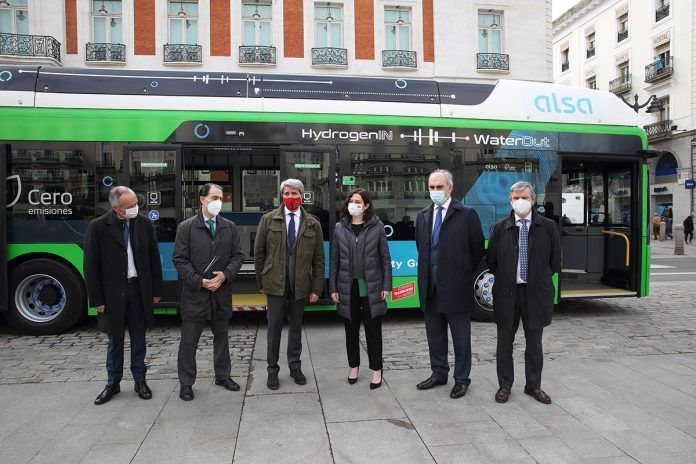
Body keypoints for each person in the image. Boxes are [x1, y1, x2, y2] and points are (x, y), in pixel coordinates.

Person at [84, 186, 163, 405]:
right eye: (129, 206)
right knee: (115, 339)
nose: (134, 209)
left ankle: (140, 380)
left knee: (139, 338)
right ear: (115, 207)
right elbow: (90, 266)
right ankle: (113, 383)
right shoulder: (98, 227)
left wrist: (156, 290)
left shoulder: (144, 224)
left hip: (139, 290)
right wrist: (96, 299)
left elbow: (154, 258)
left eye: (136, 204)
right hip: (112, 295)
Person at [487, 181, 561, 405]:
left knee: (535, 344)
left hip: (536, 294)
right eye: (516, 198)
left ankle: (533, 385)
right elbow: (492, 262)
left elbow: (555, 262)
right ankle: (504, 385)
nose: (520, 202)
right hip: (508, 294)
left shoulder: (548, 227)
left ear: (533, 200)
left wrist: (537, 277)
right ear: (510, 201)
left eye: (525, 197)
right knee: (504, 345)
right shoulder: (499, 228)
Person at [414, 169, 485, 399]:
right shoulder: (423, 215)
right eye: (431, 187)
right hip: (430, 288)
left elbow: (477, 251)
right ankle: (438, 372)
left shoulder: (466, 214)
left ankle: (462, 379)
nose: (435, 191)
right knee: (435, 335)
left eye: (439, 187)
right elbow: (422, 248)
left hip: (457, 288)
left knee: (461, 338)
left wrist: (461, 274)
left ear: (450, 188)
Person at [173, 183, 244, 401]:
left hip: (221, 294)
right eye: (214, 197)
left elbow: (238, 256)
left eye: (221, 198)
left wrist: (225, 275)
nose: (218, 202)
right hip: (195, 295)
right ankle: (186, 383)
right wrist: (199, 281)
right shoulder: (186, 227)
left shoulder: (229, 226)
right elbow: (180, 260)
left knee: (221, 338)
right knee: (189, 341)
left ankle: (223, 376)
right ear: (202, 199)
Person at [254, 179, 325, 390]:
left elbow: (319, 259)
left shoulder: (313, 223)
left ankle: (295, 367)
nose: (291, 198)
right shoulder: (268, 220)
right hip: (275, 284)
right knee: (274, 328)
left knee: (296, 328)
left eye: (295, 194)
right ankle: (272, 370)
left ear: (302, 196)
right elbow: (259, 253)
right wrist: (262, 282)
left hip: (301, 284)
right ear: (281, 195)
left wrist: (316, 288)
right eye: (287, 193)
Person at [330, 188, 392, 389]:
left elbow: (385, 258)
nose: (353, 204)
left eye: (358, 201)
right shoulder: (340, 227)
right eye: (351, 201)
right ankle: (353, 367)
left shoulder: (377, 226)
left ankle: (376, 370)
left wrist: (386, 285)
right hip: (348, 287)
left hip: (372, 287)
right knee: (351, 331)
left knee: (373, 332)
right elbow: (334, 260)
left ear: (366, 206)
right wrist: (333, 287)